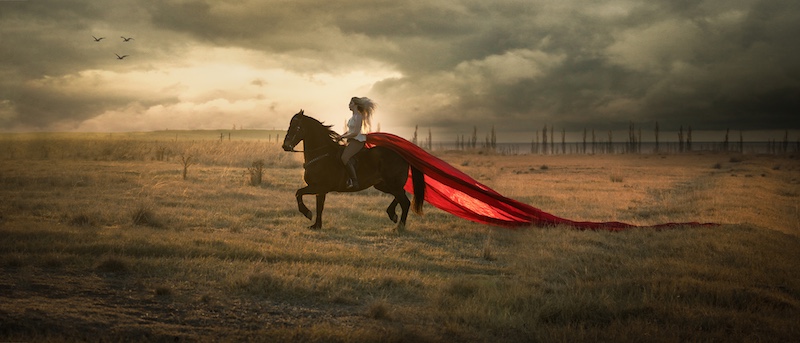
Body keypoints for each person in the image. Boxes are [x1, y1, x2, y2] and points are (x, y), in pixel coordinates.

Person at [340, 96, 376, 189]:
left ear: (356, 105)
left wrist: (343, 137)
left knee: (344, 157)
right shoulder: (352, 117)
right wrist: (340, 136)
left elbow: (355, 133)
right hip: (352, 140)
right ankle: (347, 178)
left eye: (351, 103)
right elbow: (349, 131)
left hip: (357, 141)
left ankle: (354, 181)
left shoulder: (358, 116)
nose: (349, 105)